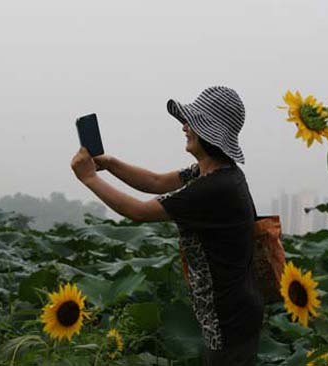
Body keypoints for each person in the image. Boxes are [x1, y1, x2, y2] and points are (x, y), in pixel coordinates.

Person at [70, 86, 264, 366]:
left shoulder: (214, 188)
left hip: (230, 320)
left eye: (192, 122)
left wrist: (89, 179)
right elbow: (156, 182)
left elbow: (138, 211)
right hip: (230, 314)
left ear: (210, 132)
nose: (185, 127)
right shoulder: (213, 172)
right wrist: (109, 164)